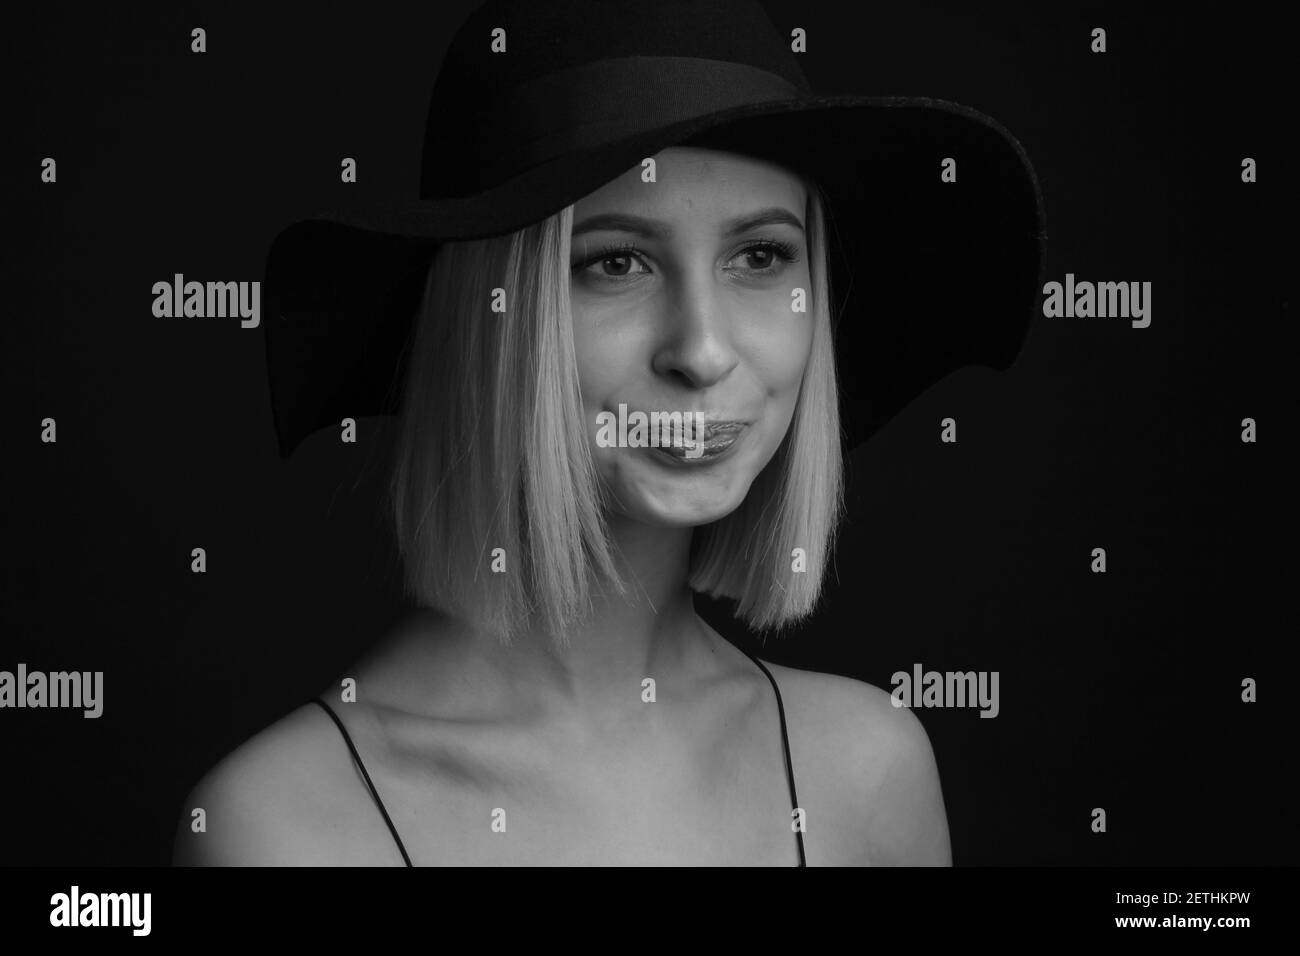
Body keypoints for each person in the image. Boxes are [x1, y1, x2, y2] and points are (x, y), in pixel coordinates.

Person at [173, 0, 1044, 867]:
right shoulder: (282, 830)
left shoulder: (867, 772)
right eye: (615, 263)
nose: (701, 351)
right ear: (491, 316)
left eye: (762, 256)